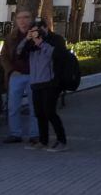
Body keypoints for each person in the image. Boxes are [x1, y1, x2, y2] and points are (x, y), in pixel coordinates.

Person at [17, 17, 68, 153]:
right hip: (36, 82)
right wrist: (27, 39)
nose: (36, 33)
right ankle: (43, 140)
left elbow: (57, 55)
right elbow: (19, 53)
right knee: (39, 113)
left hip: (51, 82)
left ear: (45, 28)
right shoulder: (31, 42)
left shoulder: (55, 40)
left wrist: (41, 43)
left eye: (38, 29)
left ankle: (62, 141)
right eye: (33, 30)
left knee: (50, 112)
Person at [0, 10, 38, 144]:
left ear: (31, 19)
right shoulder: (11, 37)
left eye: (26, 17)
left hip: (34, 76)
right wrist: (10, 71)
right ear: (16, 21)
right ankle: (15, 133)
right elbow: (3, 57)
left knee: (35, 107)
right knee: (13, 106)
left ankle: (35, 134)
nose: (23, 21)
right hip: (16, 76)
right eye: (19, 18)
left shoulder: (38, 35)